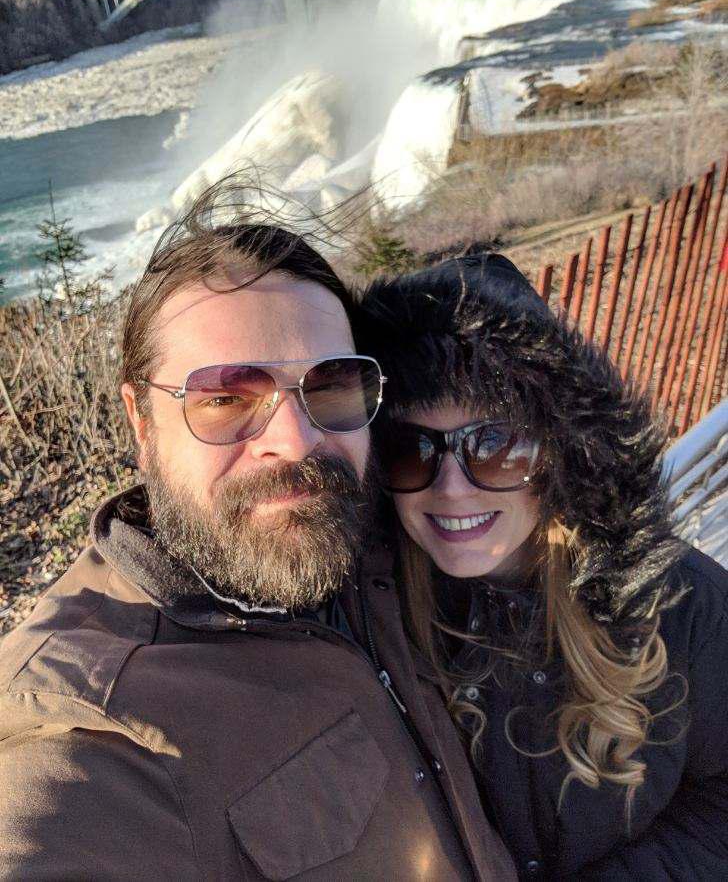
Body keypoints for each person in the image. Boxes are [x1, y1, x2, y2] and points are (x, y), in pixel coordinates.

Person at [0, 188, 516, 881]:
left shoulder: (392, 530)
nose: (296, 440)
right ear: (141, 423)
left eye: (330, 385)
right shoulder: (99, 726)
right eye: (225, 398)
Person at [355, 252, 728, 881]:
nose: (451, 490)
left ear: (560, 451)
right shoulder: (369, 619)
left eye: (496, 446)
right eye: (409, 450)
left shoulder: (677, 604)